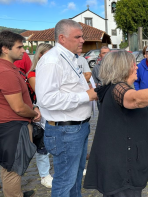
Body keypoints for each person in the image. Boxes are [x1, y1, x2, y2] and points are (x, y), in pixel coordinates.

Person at [83, 50, 148, 197]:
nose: (137, 67)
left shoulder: (108, 87)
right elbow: (135, 100)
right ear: (123, 68)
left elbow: (88, 95)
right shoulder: (118, 88)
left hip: (116, 161)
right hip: (122, 168)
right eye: (134, 64)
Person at [35, 19, 98, 196]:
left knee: (76, 178)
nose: (82, 40)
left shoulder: (70, 58)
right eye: (77, 37)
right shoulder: (52, 61)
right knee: (65, 181)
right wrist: (86, 95)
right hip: (65, 131)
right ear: (62, 38)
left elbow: (68, 88)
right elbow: (46, 99)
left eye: (82, 36)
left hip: (77, 128)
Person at [0, 30, 41, 197]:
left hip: (11, 124)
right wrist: (33, 113)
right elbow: (18, 107)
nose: (24, 51)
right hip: (13, 125)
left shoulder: (8, 68)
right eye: (19, 47)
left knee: (10, 165)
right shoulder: (6, 72)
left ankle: (16, 192)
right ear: (5, 49)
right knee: (12, 168)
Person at [27, 43, 54, 189]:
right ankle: (44, 175)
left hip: (56, 112)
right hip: (41, 113)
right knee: (42, 145)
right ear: (40, 55)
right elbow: (43, 93)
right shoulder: (33, 74)